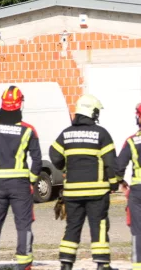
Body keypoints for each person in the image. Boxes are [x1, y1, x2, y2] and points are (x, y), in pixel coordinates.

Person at [50, 95, 119, 270]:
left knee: (72, 226)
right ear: (91, 112)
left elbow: (54, 155)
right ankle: (102, 264)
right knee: (99, 225)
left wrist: (65, 166)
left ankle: (66, 263)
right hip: (97, 192)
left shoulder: (66, 133)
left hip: (72, 192)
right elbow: (111, 163)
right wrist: (113, 183)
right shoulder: (101, 134)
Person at [0, 85, 41, 270]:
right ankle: (24, 264)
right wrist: (31, 179)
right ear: (19, 104)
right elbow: (37, 159)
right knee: (23, 225)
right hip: (20, 185)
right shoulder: (28, 130)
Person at [116, 103, 141, 270]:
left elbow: (118, 168)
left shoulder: (132, 141)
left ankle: (138, 266)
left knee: (138, 231)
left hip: (138, 192)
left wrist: (122, 183)